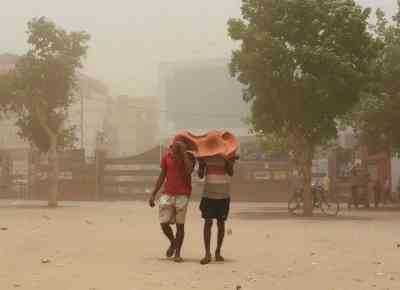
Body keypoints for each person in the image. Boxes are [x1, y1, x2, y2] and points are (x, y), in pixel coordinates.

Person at [149, 140, 195, 263]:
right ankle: (173, 242)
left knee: (180, 225)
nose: (175, 147)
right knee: (163, 223)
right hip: (167, 194)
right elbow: (162, 175)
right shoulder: (166, 156)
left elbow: (189, 170)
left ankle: (178, 253)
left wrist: (184, 153)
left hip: (183, 195)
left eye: (179, 146)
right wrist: (153, 193)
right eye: (175, 145)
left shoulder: (189, 157)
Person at [197, 155, 236, 265]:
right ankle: (207, 253)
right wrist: (200, 164)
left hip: (223, 196)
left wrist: (229, 161)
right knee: (208, 222)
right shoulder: (205, 155)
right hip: (208, 195)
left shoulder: (227, 154)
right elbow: (200, 175)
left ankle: (218, 251)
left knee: (221, 223)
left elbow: (231, 172)